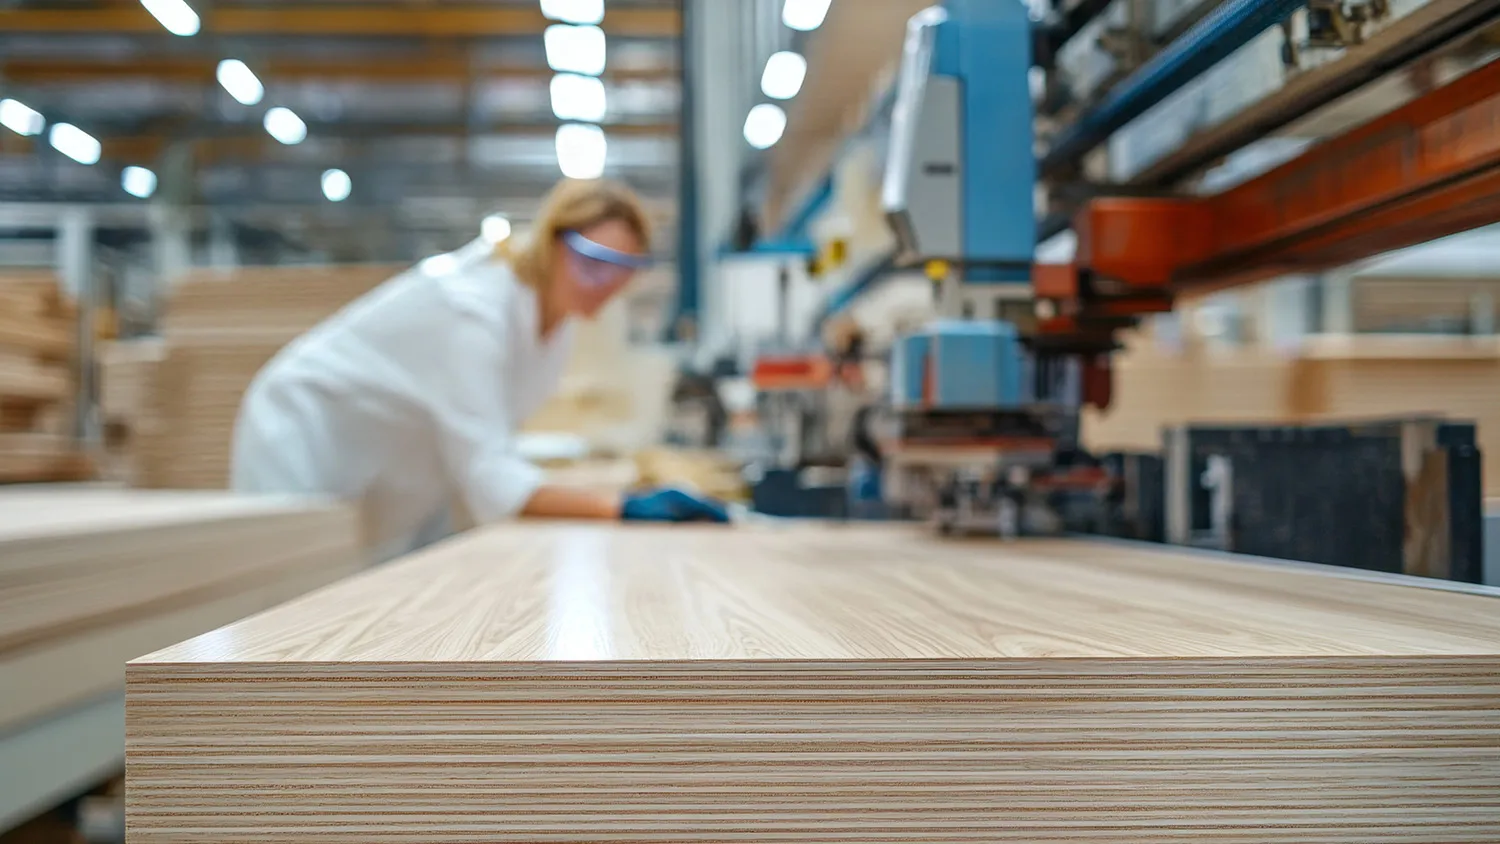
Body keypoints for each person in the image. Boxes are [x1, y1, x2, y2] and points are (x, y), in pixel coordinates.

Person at [230, 178, 729, 563]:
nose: (607, 284)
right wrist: (624, 506)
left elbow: (488, 453)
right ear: (554, 241)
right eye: (594, 262)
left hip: (394, 463)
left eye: (624, 270)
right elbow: (491, 476)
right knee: (287, 595)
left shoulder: (552, 325)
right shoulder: (472, 311)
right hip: (302, 431)